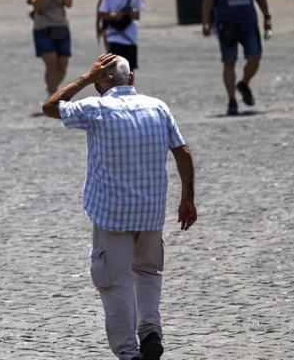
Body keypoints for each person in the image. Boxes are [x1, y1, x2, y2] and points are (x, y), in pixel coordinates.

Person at [42, 53, 197, 360]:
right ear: (132, 79)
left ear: (102, 82)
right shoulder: (158, 108)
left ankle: (128, 352)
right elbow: (182, 151)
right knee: (148, 273)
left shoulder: (95, 108)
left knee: (115, 283)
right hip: (151, 213)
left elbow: (50, 107)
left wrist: (86, 78)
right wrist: (187, 198)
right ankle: (151, 332)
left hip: (112, 215)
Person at [201, 0, 272, 116]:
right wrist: (206, 21)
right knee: (229, 61)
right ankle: (232, 100)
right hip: (227, 23)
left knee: (255, 57)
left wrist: (267, 16)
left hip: (248, 21)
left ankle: (244, 83)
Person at [26, 0, 73, 97]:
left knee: (62, 66)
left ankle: (52, 88)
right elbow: (37, 3)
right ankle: (53, 94)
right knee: (51, 62)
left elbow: (69, 3)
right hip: (43, 27)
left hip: (61, 25)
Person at [98, 0, 143, 71]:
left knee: (129, 70)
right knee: (115, 69)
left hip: (130, 36)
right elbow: (102, 12)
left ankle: (128, 88)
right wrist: (112, 15)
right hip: (114, 36)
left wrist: (132, 13)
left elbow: (137, 16)